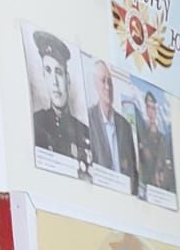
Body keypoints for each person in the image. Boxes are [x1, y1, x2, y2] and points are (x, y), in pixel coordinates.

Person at [29, 30, 89, 164]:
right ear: (44, 76)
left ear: (67, 79)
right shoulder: (36, 123)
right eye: (48, 71)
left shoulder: (84, 132)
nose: (55, 82)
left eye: (59, 72)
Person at [87, 60, 138, 194]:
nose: (108, 87)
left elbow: (134, 171)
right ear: (95, 85)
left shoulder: (125, 126)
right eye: (103, 81)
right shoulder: (89, 119)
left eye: (110, 82)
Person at [137, 91, 175, 192]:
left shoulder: (162, 139)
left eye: (153, 108)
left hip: (160, 189)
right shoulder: (142, 136)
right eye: (148, 107)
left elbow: (167, 165)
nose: (151, 111)